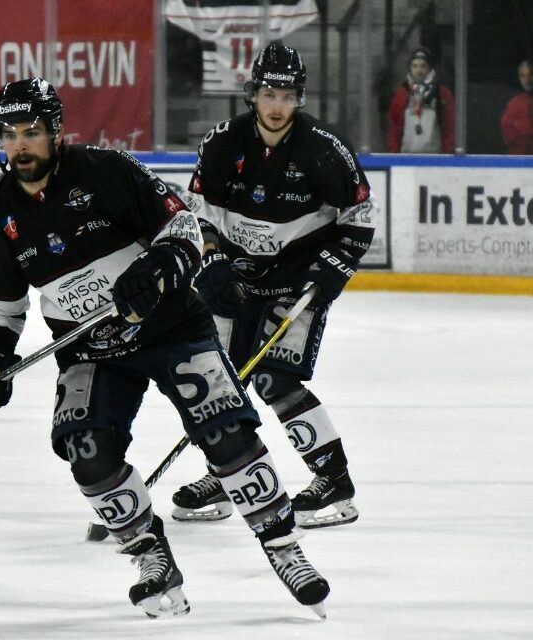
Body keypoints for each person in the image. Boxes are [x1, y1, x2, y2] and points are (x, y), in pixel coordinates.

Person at [0, 77, 331, 619]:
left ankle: (284, 548)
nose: (20, 145)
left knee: (225, 433)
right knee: (87, 454)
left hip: (171, 327)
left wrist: (157, 265)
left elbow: (181, 226)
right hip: (89, 349)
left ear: (56, 133)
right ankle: (151, 558)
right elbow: (1, 308)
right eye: (9, 134)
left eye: (31, 132)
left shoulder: (107, 170)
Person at [172, 42, 375, 532]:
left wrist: (330, 268)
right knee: (218, 380)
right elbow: (198, 211)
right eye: (269, 93)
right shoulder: (222, 143)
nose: (277, 105)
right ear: (252, 95)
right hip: (234, 280)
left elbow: (360, 217)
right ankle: (226, 474)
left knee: (273, 379)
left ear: (299, 99)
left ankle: (335, 483)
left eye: (287, 95)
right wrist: (212, 259)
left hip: (295, 283)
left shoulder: (325, 150)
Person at [386, 46, 456, 153]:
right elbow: (393, 129)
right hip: (404, 159)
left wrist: (447, 157)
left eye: (423, 66)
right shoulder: (401, 94)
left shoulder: (442, 94)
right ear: (410, 68)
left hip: (435, 160)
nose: (419, 70)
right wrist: (393, 155)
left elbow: (449, 128)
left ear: (429, 68)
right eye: (415, 66)